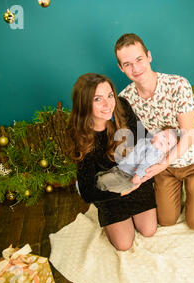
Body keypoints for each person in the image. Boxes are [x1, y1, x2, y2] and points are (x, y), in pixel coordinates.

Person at [114, 33, 194, 231]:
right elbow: (132, 140)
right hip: (162, 162)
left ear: (149, 56)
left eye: (139, 59)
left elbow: (189, 136)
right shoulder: (125, 98)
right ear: (121, 68)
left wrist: (162, 164)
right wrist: (135, 173)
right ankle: (178, 188)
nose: (135, 68)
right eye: (127, 64)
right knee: (166, 220)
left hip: (192, 159)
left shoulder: (178, 85)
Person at [67, 73, 157, 251]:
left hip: (133, 176)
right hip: (109, 189)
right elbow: (87, 193)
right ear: (85, 104)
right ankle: (115, 221)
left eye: (110, 95)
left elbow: (144, 137)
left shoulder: (121, 106)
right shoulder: (79, 133)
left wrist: (142, 172)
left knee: (149, 230)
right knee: (124, 244)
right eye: (98, 99)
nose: (108, 104)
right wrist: (119, 194)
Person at [96, 127, 178, 194]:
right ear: (157, 133)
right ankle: (98, 184)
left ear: (167, 151)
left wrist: (138, 175)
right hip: (122, 168)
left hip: (129, 176)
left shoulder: (155, 152)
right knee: (105, 176)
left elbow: (145, 164)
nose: (164, 141)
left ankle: (97, 189)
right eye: (164, 136)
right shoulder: (146, 142)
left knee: (104, 181)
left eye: (168, 143)